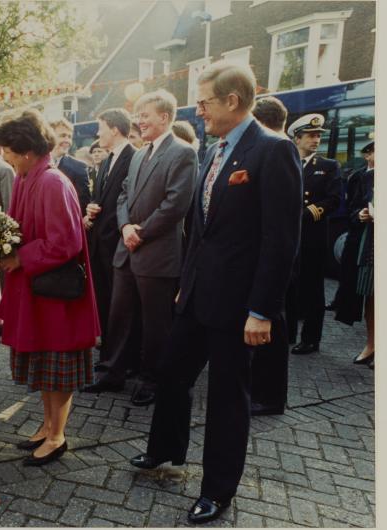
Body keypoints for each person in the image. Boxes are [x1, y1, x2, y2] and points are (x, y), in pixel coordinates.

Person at [130, 62, 301, 524]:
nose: (198, 110)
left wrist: (262, 310)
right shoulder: (212, 150)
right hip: (197, 296)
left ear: (232, 100)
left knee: (227, 397)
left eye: (204, 101)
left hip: (239, 305)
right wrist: (185, 286)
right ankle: (165, 450)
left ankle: (217, 490)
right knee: (171, 373)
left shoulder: (274, 150)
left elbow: (281, 240)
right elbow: (200, 231)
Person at [0, 110, 100, 466]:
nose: (4, 156)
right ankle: (47, 426)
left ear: (26, 151)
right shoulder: (26, 177)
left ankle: (57, 436)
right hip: (38, 291)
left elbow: (66, 242)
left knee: (57, 364)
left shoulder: (52, 182)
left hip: (55, 296)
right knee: (45, 364)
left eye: (7, 150)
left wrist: (20, 258)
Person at [85, 91, 197, 408]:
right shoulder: (139, 154)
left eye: (145, 115)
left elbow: (176, 204)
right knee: (119, 317)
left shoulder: (183, 153)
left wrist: (141, 232)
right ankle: (112, 373)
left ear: (164, 117)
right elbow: (123, 195)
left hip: (157, 253)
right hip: (128, 250)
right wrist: (125, 228)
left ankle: (152, 380)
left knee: (155, 324)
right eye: (138, 115)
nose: (139, 121)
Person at [285, 114, 342, 356]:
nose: (316, 139)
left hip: (312, 236)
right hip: (287, 237)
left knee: (312, 289)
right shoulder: (286, 163)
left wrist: (304, 214)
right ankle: (287, 334)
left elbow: (334, 200)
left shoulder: (328, 166)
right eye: (310, 135)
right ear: (297, 138)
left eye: (318, 135)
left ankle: (310, 339)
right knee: (287, 286)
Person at [250, 95, 292, 415]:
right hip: (266, 257)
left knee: (273, 325)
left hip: (275, 259)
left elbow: (281, 226)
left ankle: (271, 397)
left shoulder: (278, 148)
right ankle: (263, 391)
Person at [82, 108, 137, 351]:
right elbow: (101, 198)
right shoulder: (106, 160)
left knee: (120, 306)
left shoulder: (134, 158)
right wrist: (91, 208)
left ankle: (120, 356)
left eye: (100, 128)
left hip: (118, 244)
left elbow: (131, 201)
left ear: (114, 129)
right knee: (104, 301)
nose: (97, 133)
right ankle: (108, 352)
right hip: (100, 245)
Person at [335, 141, 374, 369]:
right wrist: (359, 215)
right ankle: (372, 345)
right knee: (371, 295)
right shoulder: (359, 177)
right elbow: (349, 208)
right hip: (367, 243)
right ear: (368, 155)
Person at [49, 119, 91, 215]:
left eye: (69, 137)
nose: (67, 141)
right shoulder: (35, 163)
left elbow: (83, 204)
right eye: (63, 136)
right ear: (50, 136)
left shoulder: (79, 167)